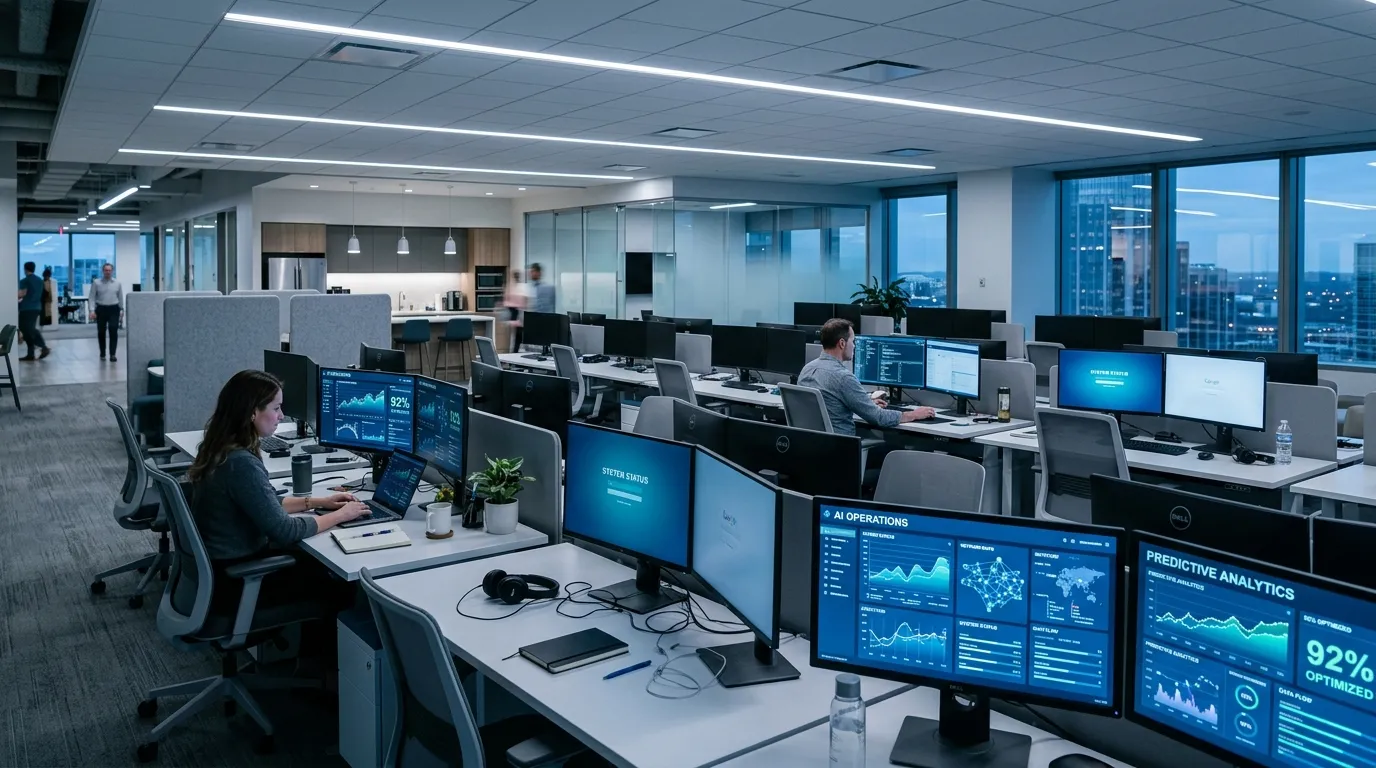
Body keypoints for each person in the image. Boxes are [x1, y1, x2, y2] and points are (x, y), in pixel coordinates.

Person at [186, 370, 370, 617]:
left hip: (220, 569)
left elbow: (267, 501)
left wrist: (319, 502)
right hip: (236, 582)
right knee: (340, 582)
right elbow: (285, 531)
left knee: (313, 561)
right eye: (276, 408)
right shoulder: (241, 463)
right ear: (252, 412)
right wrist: (341, 516)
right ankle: (314, 655)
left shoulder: (221, 447)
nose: (281, 416)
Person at [797, 318, 934, 435]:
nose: (855, 346)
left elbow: (830, 405)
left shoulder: (807, 369)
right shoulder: (843, 378)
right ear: (842, 343)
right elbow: (879, 417)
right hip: (840, 447)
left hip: (812, 445)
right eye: (853, 341)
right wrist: (913, 414)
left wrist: (865, 403)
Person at [88, 262, 124, 361]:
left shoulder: (117, 283)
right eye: (106, 270)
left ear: (112, 271)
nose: (107, 272)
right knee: (101, 332)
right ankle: (102, 353)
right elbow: (91, 297)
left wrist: (121, 309)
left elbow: (120, 297)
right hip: (101, 309)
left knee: (113, 330)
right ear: (103, 271)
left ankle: (113, 354)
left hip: (114, 309)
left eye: (109, 270)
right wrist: (91, 310)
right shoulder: (96, 283)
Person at [15, 261, 50, 361]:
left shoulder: (25, 281)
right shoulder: (39, 280)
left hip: (27, 307)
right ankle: (31, 354)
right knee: (29, 329)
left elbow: (21, 294)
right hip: (37, 307)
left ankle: (43, 347)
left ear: (25, 269)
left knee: (26, 328)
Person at [503, 268, 527, 352]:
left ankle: (514, 353)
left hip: (517, 314)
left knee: (516, 337)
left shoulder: (519, 287)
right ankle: (513, 353)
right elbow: (506, 301)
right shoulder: (512, 287)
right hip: (514, 314)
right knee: (515, 337)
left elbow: (507, 301)